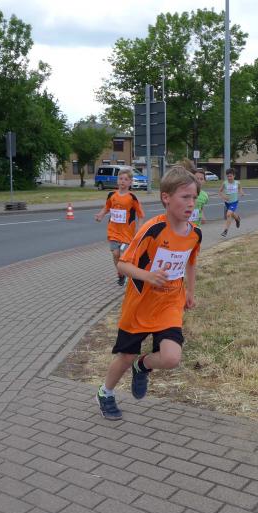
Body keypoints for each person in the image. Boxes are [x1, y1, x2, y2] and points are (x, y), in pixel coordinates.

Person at [95, 166, 201, 420]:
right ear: (166, 197)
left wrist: (190, 291)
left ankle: (141, 366)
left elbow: (190, 262)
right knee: (126, 355)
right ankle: (105, 392)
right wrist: (148, 276)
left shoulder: (194, 233)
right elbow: (123, 265)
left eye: (194, 197)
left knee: (171, 358)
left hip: (170, 303)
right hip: (140, 305)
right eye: (185, 197)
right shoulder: (152, 230)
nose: (191, 203)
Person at [94, 169, 145, 285]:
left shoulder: (132, 197)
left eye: (126, 179)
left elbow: (141, 214)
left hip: (127, 233)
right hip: (113, 231)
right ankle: (120, 274)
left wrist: (139, 228)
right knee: (115, 254)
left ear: (130, 182)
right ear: (117, 180)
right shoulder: (112, 195)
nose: (122, 181)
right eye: (121, 179)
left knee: (124, 255)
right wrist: (101, 215)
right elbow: (107, 207)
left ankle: (129, 273)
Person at [219, 168, 243, 237]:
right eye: (228, 176)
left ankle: (225, 231)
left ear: (234, 176)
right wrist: (224, 196)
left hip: (234, 202)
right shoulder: (225, 183)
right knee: (231, 213)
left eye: (230, 176)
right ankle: (237, 219)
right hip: (227, 202)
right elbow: (220, 191)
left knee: (228, 214)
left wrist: (241, 192)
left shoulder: (237, 182)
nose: (229, 178)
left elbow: (240, 188)